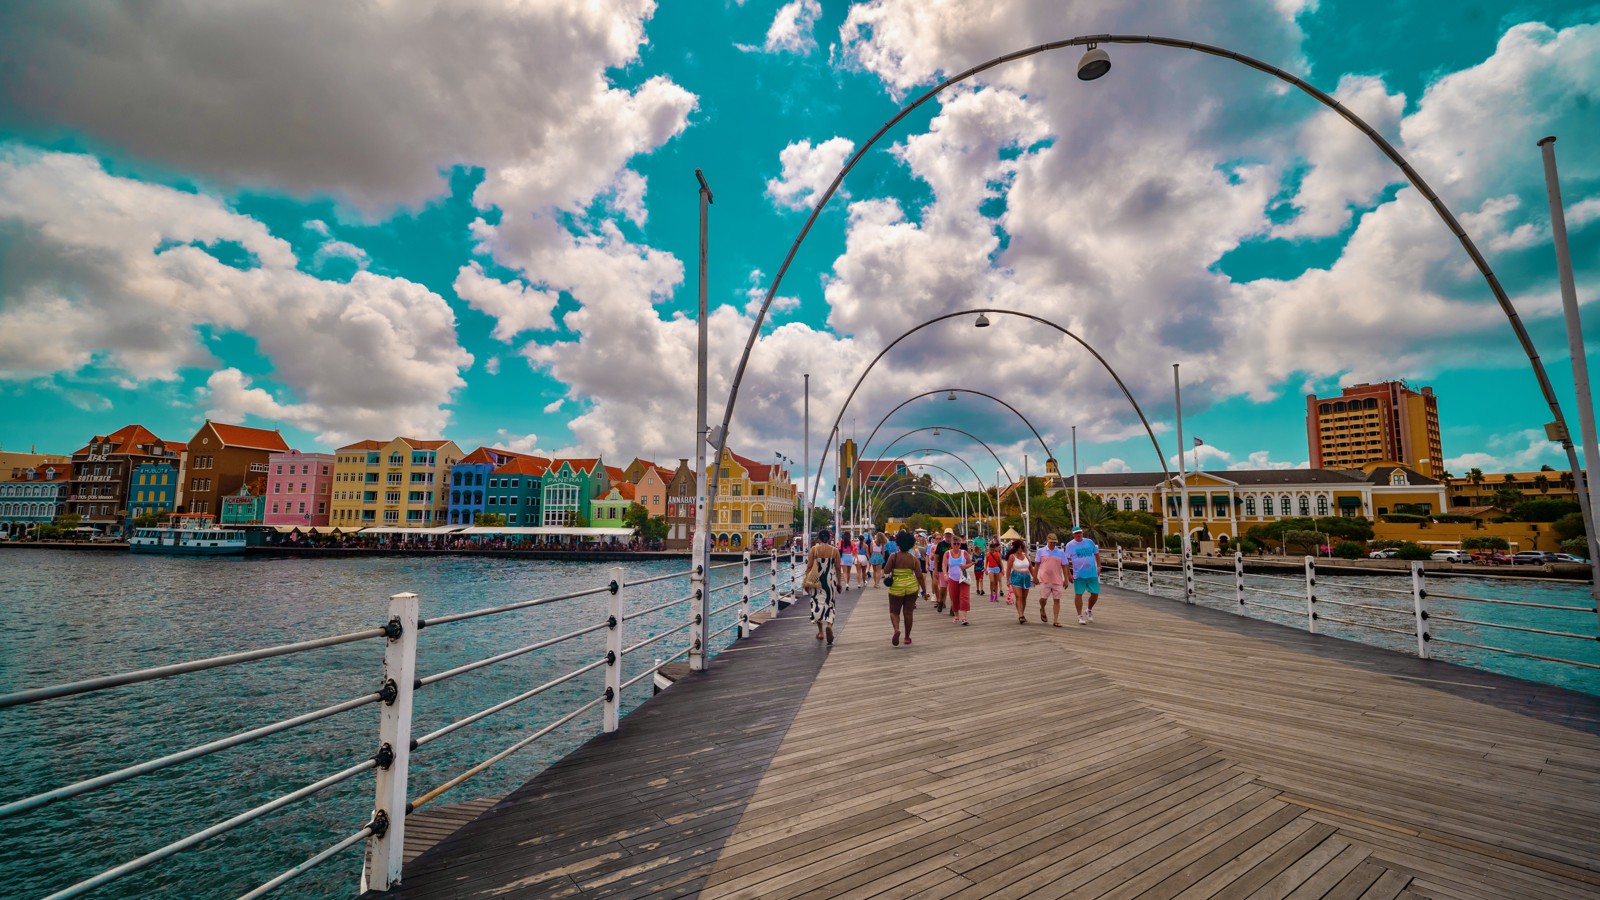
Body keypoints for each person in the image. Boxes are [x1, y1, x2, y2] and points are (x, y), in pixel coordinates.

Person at [885, 530, 926, 646]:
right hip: (911, 587)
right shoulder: (913, 559)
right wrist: (924, 590)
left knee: (894, 611)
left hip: (896, 587)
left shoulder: (894, 556)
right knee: (908, 613)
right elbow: (919, 576)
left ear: (898, 543)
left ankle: (897, 629)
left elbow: (886, 570)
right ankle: (907, 637)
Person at [808, 528, 841, 644]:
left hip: (817, 580)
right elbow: (838, 568)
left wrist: (806, 582)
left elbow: (809, 566)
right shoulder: (834, 551)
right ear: (830, 538)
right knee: (830, 603)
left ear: (818, 538)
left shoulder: (814, 549)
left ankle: (821, 632)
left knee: (817, 603)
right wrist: (840, 582)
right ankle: (829, 626)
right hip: (830, 581)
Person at [1066, 526, 1102, 624]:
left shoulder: (1089, 542)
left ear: (1082, 533)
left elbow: (1097, 554)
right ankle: (1079, 615)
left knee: (1095, 593)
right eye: (1076, 533)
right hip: (1079, 575)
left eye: (1080, 533)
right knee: (1079, 594)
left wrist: (1099, 567)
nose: (1078, 535)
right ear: (1073, 534)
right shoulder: (1069, 545)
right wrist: (1069, 574)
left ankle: (1089, 610)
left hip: (1092, 573)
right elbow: (1066, 561)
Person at [1035, 533, 1069, 626]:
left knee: (1057, 600)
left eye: (1054, 542)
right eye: (1051, 542)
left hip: (1057, 580)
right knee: (1043, 599)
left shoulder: (1061, 552)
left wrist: (1066, 579)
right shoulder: (1040, 551)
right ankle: (1042, 608)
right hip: (1044, 579)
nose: (1053, 544)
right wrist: (1034, 577)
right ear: (1047, 541)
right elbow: (1037, 565)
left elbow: (1065, 566)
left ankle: (1056, 620)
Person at [945, 537, 976, 625]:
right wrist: (945, 575)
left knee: (964, 597)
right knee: (954, 598)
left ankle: (964, 617)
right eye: (954, 544)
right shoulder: (947, 553)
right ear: (951, 544)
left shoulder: (964, 553)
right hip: (952, 578)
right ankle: (956, 616)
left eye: (958, 544)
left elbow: (970, 562)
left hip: (963, 578)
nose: (956, 545)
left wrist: (965, 566)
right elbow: (944, 565)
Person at [1005, 538, 1033, 624]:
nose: (1024, 547)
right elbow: (1008, 569)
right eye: (1022, 546)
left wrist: (1035, 577)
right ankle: (1020, 615)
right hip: (1016, 577)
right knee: (1019, 597)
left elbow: (1030, 567)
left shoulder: (1025, 555)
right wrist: (1008, 580)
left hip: (1026, 577)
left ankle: (1022, 614)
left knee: (1024, 597)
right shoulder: (1012, 557)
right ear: (1019, 546)